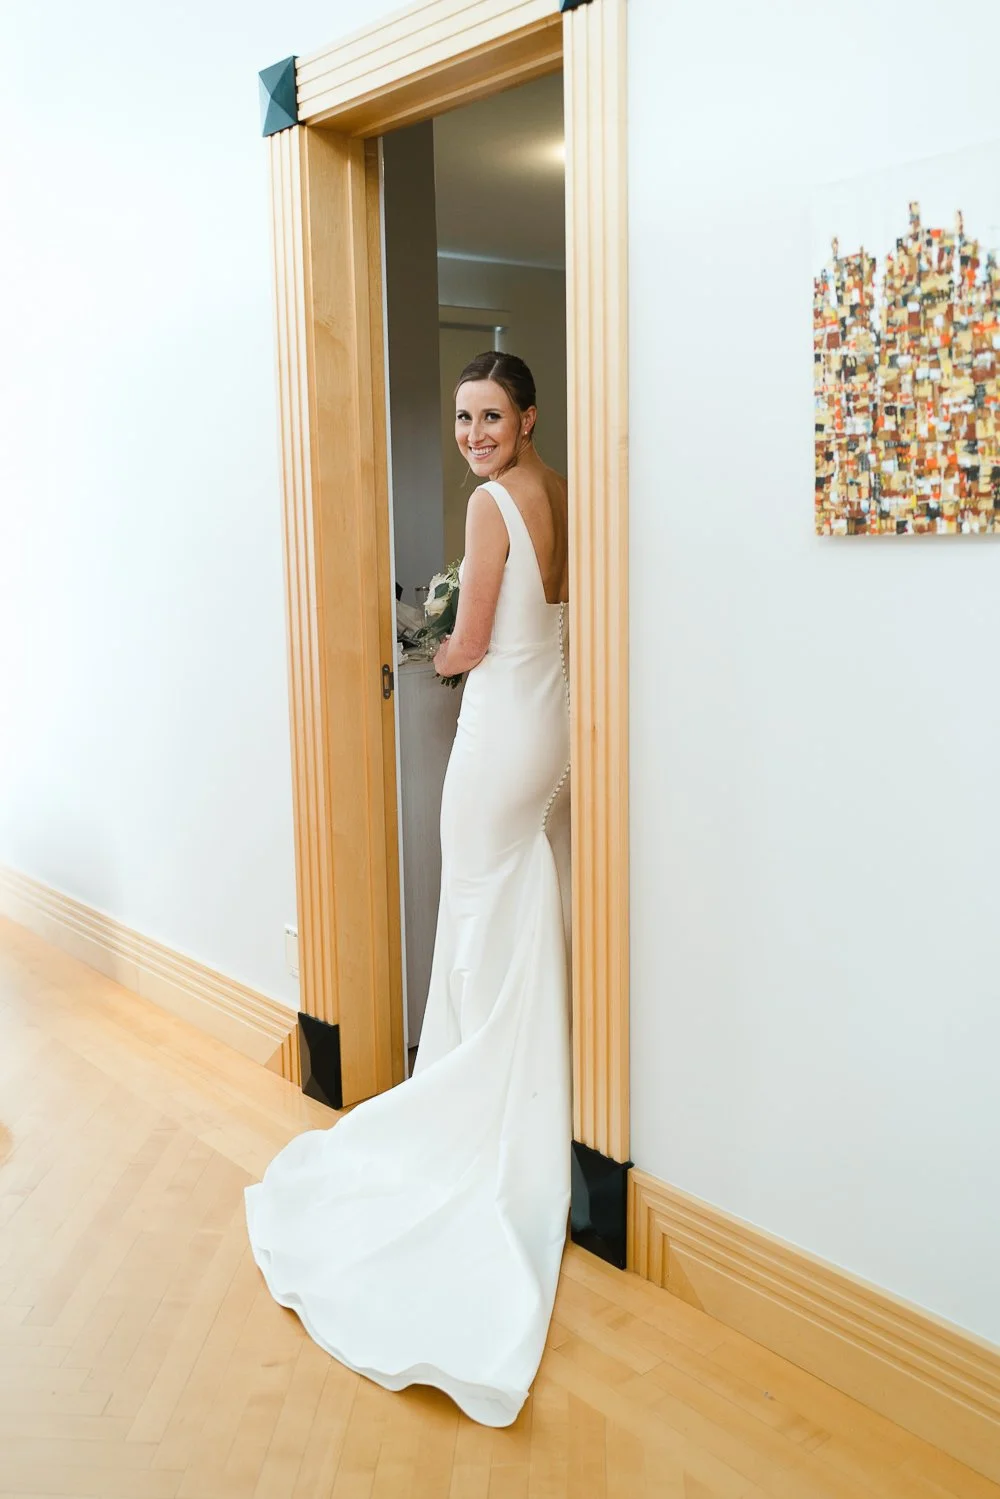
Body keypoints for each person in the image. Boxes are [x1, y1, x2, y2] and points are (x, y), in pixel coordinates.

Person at [245, 352, 571, 1428]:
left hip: (500, 726)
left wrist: (430, 647)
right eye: (464, 416)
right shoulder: (556, 486)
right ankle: (521, 1095)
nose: (475, 432)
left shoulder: (488, 503)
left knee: (476, 901)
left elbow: (471, 640)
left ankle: (464, 1103)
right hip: (553, 723)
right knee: (519, 892)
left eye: (492, 414)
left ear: (525, 413)